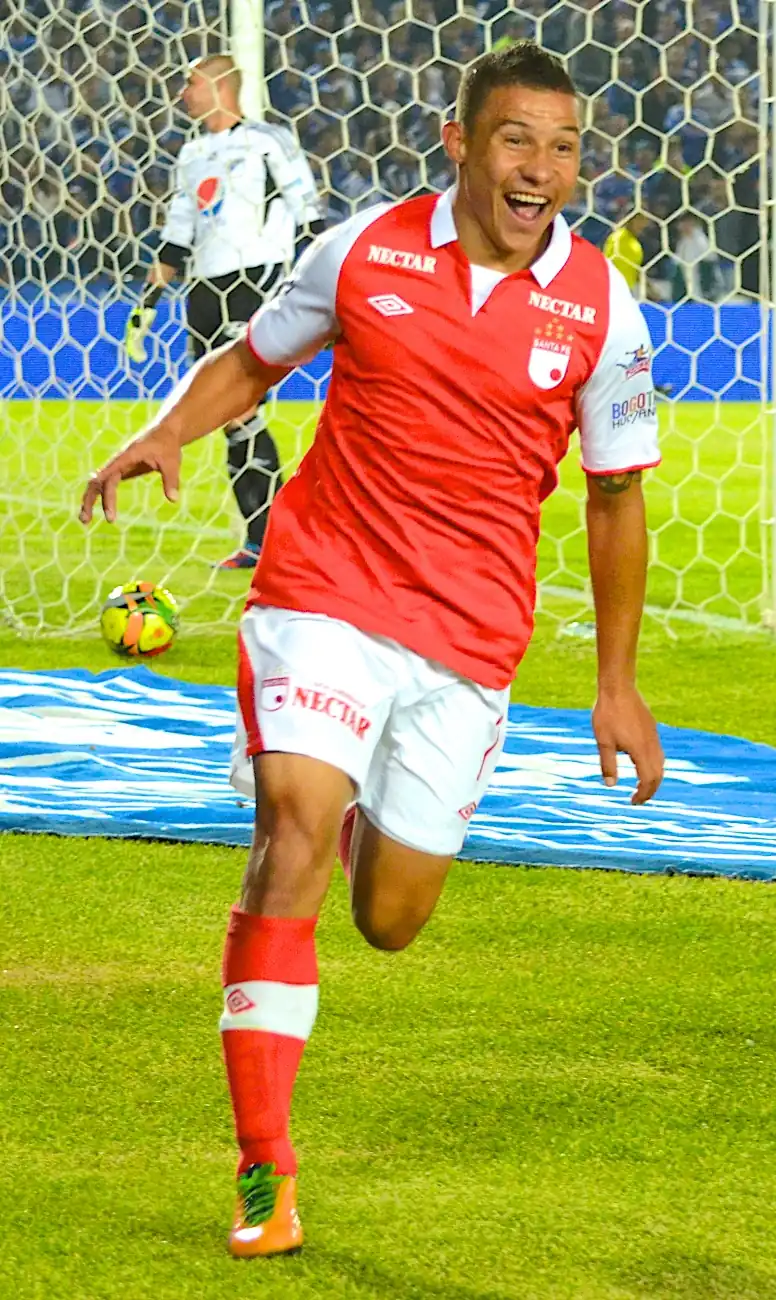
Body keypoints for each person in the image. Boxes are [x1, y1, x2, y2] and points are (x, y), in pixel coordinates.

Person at [80, 41, 665, 1258]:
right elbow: (254, 360)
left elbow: (615, 495)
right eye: (515, 139)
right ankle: (264, 1172)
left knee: (390, 917)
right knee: (290, 831)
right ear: (460, 143)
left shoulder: (603, 308)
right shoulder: (360, 250)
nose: (540, 167)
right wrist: (167, 430)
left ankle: (348, 793)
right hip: (324, 588)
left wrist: (614, 684)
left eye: (562, 147)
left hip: (468, 633)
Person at [126, 53, 324, 568]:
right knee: (227, 416)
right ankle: (262, 542)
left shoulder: (267, 141)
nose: (183, 93)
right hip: (204, 289)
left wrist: (316, 288)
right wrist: (146, 307)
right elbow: (177, 236)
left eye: (190, 83)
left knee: (241, 407)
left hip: (255, 279)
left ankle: (277, 540)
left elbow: (310, 215)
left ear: (220, 86)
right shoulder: (192, 154)